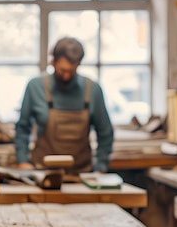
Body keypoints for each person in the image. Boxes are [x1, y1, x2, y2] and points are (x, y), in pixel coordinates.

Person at [14, 37, 114, 173]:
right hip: (43, 172)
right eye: (62, 71)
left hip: (81, 173)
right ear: (53, 62)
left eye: (71, 71)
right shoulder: (36, 87)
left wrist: (101, 167)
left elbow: (105, 133)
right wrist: (22, 161)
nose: (66, 76)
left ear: (78, 65)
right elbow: (22, 128)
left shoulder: (93, 90)